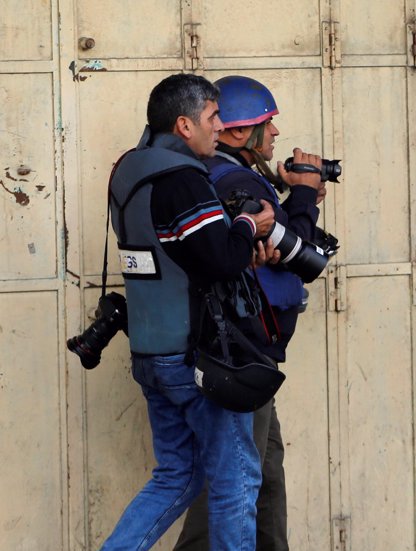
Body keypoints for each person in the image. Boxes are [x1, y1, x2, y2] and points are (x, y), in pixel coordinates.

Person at [100, 73, 276, 551]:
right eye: (213, 117)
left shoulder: (128, 172)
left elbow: (169, 250)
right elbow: (219, 260)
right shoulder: (183, 181)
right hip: (195, 358)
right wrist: (247, 223)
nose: (220, 127)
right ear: (183, 125)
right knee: (234, 483)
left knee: (176, 477)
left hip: (151, 353)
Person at [173, 75, 330, 551]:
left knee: (265, 474)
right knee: (233, 481)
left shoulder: (221, 175)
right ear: (240, 134)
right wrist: (303, 195)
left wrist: (283, 191)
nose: (277, 134)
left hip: (248, 358)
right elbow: (302, 257)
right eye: (268, 124)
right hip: (239, 355)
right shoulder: (238, 180)